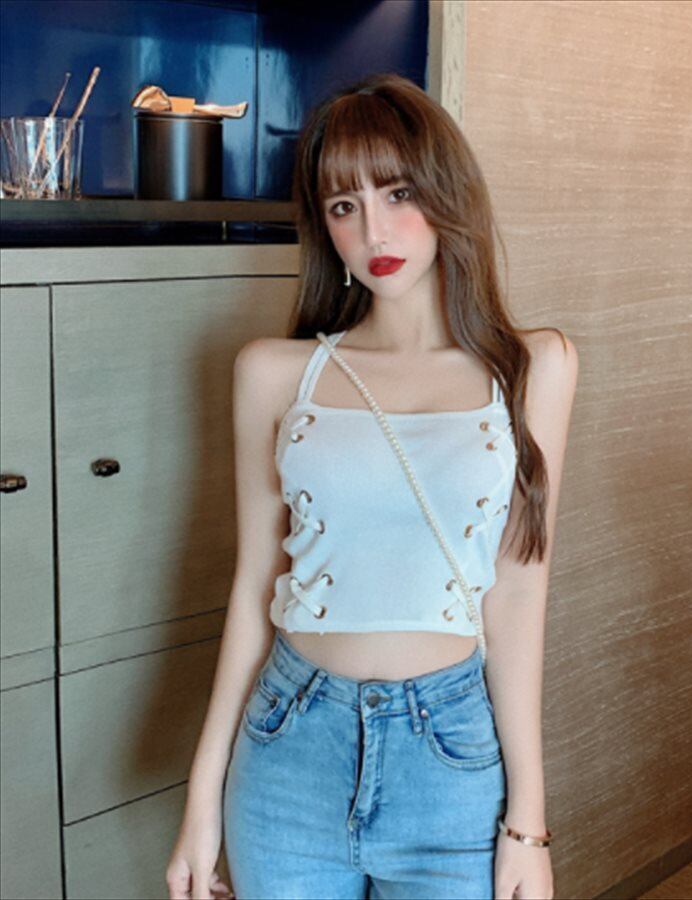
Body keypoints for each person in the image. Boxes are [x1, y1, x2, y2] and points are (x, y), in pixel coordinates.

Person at [166, 72, 577, 900]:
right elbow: (254, 588)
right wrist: (201, 802)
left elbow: (518, 594)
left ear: (447, 193)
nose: (373, 231)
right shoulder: (275, 373)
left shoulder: (533, 368)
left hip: (450, 760)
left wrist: (527, 823)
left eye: (397, 193)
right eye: (343, 205)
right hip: (288, 751)